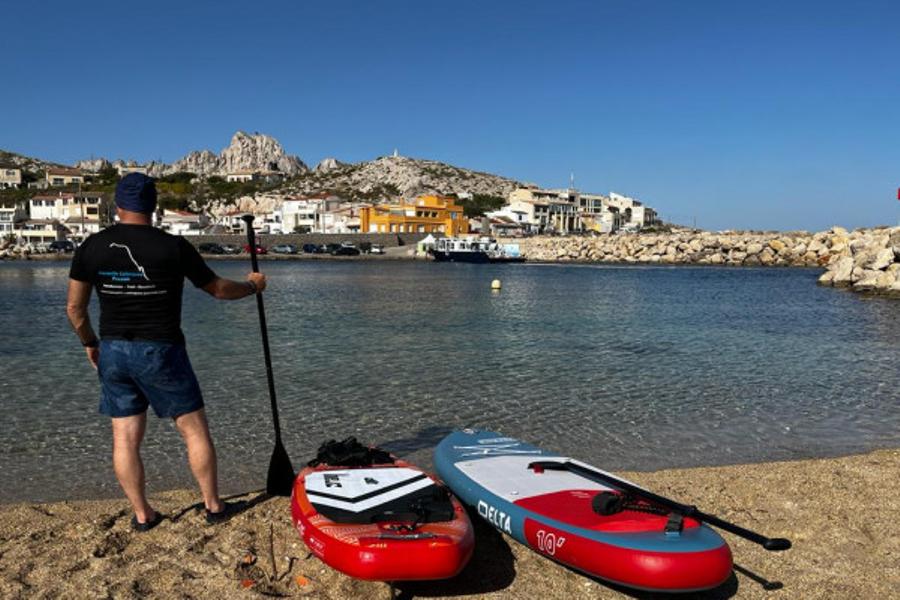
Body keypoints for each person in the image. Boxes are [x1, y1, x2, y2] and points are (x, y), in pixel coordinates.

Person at [66, 173, 266, 531]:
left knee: (125, 439)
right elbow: (218, 290)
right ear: (153, 205)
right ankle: (214, 506)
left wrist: (90, 343)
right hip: (162, 350)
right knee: (194, 431)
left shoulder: (91, 247)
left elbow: (74, 310)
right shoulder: (173, 246)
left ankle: (143, 515)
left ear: (118, 205)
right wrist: (252, 287)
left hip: (113, 351)